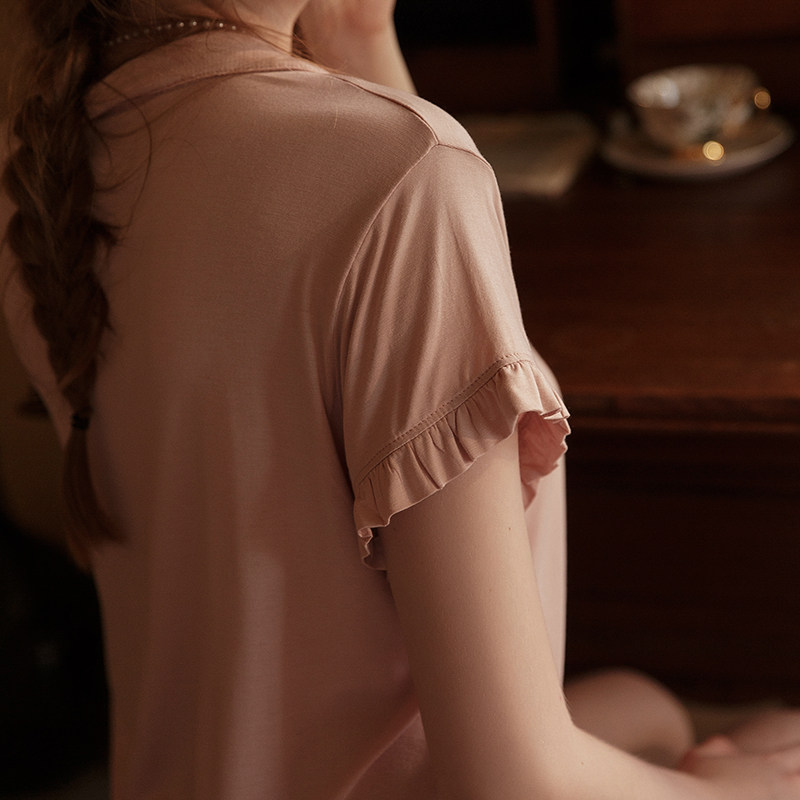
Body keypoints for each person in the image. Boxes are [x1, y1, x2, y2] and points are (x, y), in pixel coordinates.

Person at [2, 1, 799, 798]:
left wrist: (360, 32)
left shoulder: (44, 170)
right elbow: (512, 783)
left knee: (644, 706)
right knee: (769, 743)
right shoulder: (395, 172)